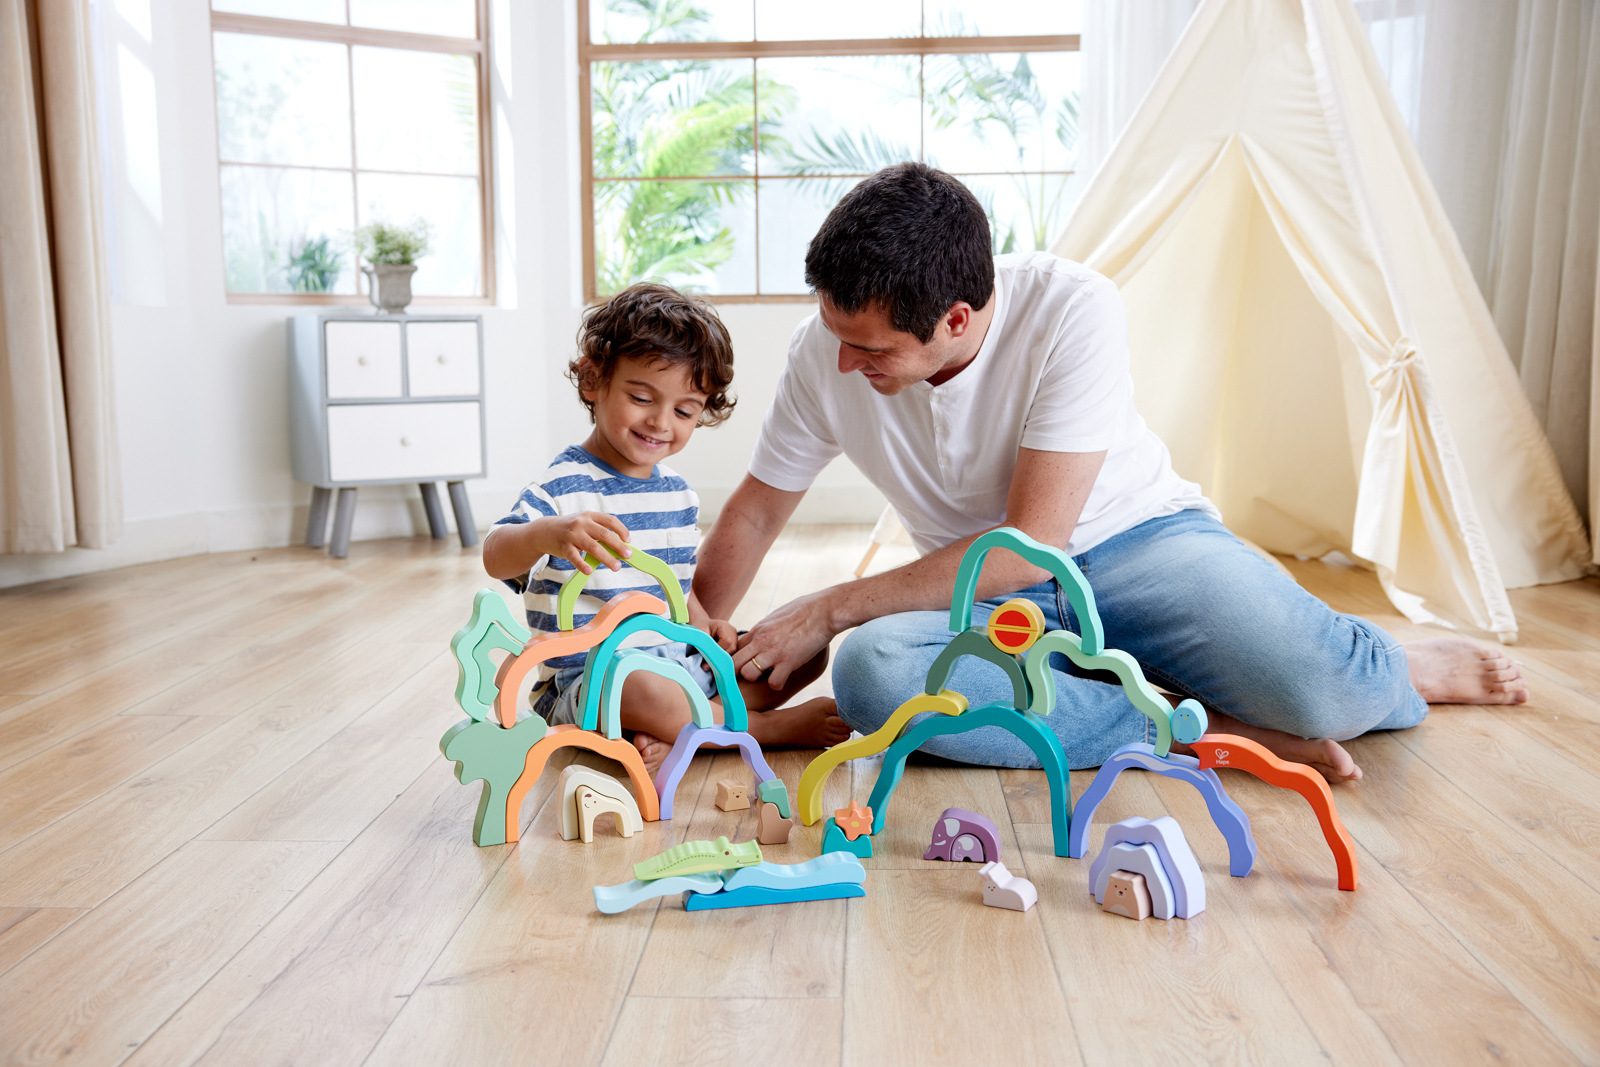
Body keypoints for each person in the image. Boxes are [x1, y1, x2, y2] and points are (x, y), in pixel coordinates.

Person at [693, 162, 1527, 783]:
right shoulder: (825, 351)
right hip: (983, 596)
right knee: (873, 673)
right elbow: (759, 510)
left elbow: (1030, 546)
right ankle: (1201, 724)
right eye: (836, 334)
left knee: (1325, 691)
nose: (842, 361)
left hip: (1142, 544)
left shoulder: (1071, 306)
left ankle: (1398, 666)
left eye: (870, 347)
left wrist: (828, 606)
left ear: (956, 318)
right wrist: (688, 637)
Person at [482, 283, 847, 775]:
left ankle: (684, 727)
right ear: (593, 380)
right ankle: (761, 730)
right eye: (641, 397)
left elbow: (676, 585)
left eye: (683, 410)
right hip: (592, 685)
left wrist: (707, 627)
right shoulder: (562, 488)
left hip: (677, 667)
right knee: (639, 686)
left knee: (803, 652)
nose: (659, 421)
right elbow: (495, 554)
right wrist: (547, 534)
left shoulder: (678, 493)